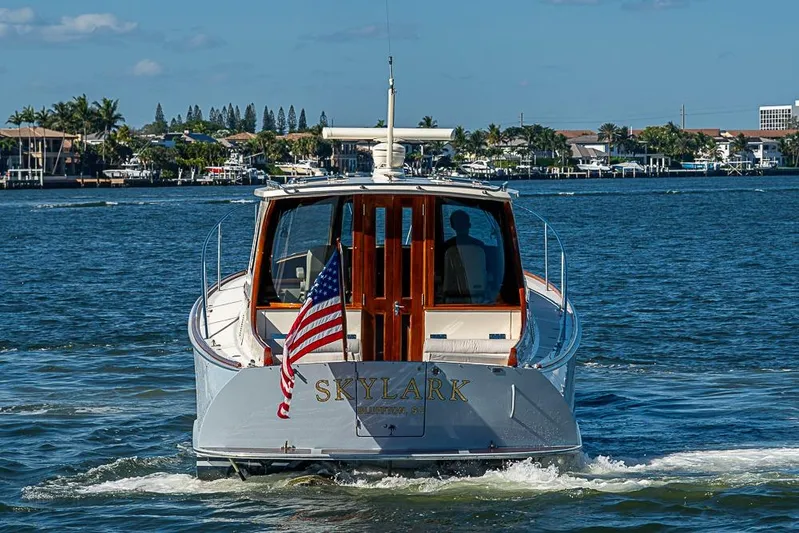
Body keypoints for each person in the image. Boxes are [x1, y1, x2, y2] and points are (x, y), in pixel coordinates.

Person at [442, 210, 486, 302]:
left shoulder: (445, 247)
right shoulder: (479, 246)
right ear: (469, 225)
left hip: (450, 299)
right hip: (478, 297)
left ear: (453, 226)